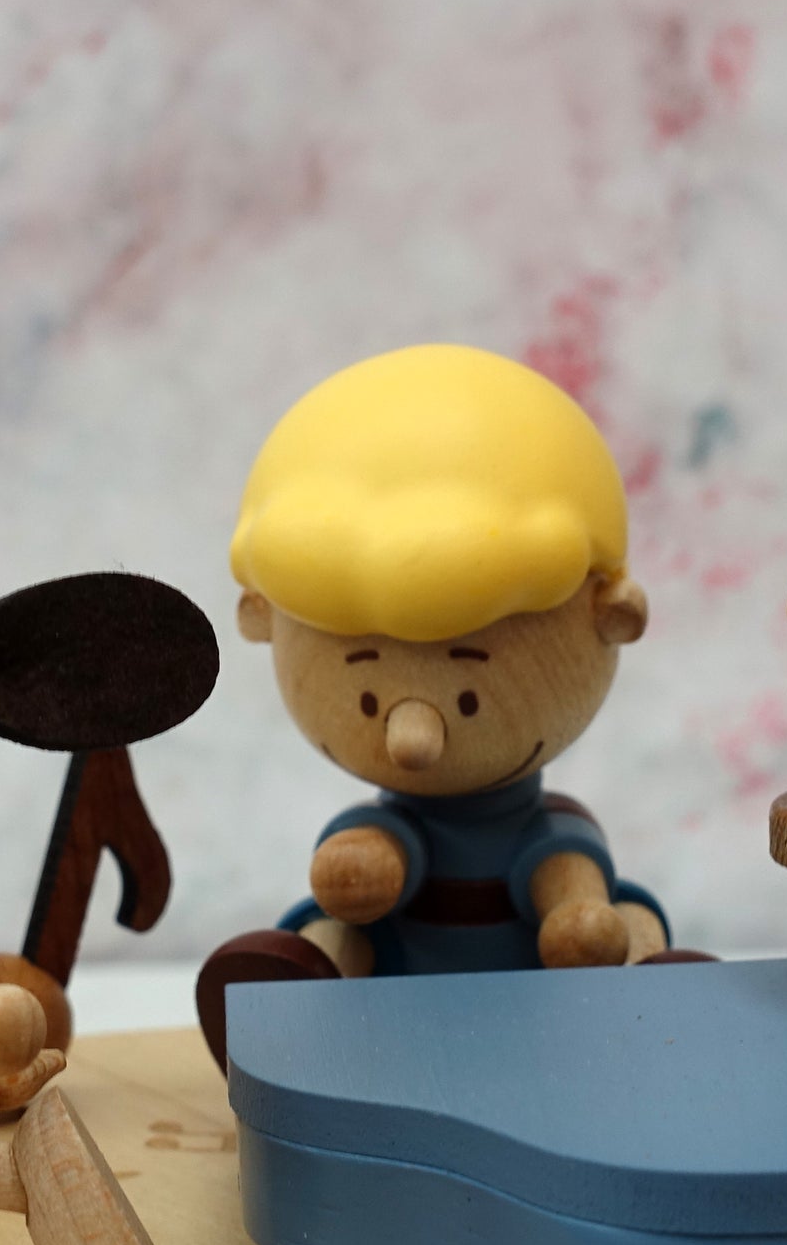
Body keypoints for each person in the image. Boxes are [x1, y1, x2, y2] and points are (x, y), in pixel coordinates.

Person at [199, 343, 688, 1067]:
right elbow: (362, 865)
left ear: (612, 618)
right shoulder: (386, 829)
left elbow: (572, 905)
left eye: (464, 695)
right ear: (260, 618)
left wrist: (578, 917)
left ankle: (660, 999)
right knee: (339, 929)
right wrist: (359, 873)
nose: (413, 740)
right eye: (370, 695)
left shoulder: (551, 833)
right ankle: (294, 1001)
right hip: (395, 1000)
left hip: (545, 1006)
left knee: (624, 920)